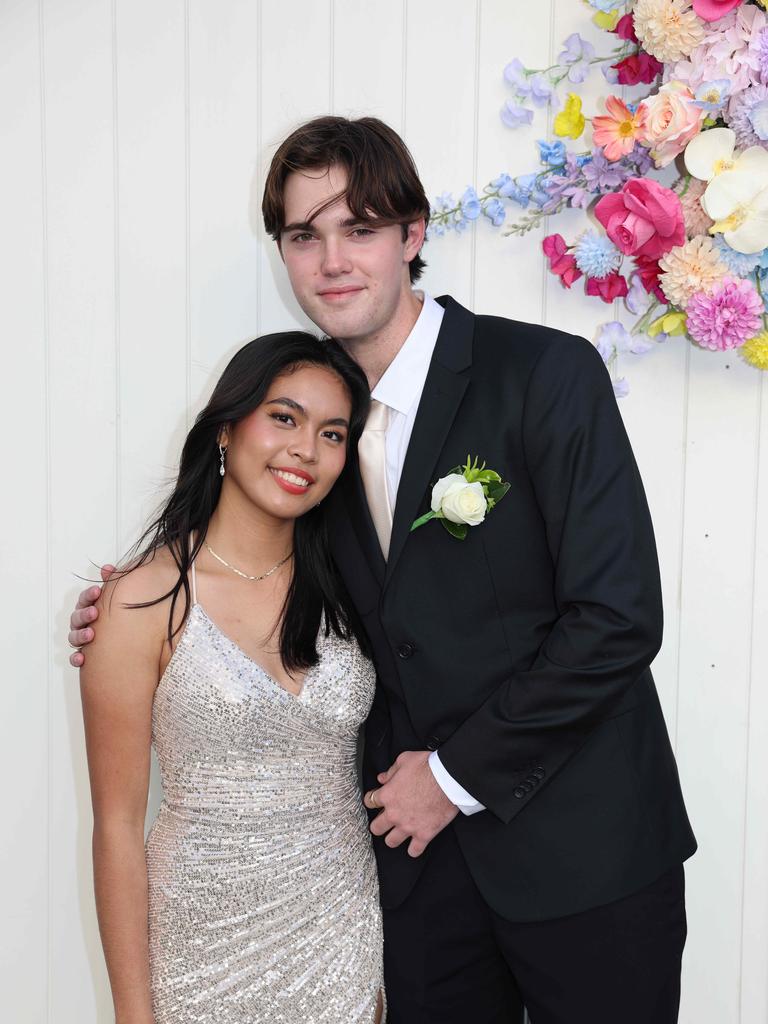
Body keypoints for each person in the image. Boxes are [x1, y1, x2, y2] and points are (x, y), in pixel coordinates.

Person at [72, 116, 697, 1024]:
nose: (331, 260)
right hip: (412, 896)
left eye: (359, 228)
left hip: (586, 863)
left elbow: (618, 617)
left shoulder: (544, 375)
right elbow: (265, 579)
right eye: (303, 235)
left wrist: (450, 778)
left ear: (412, 236)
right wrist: (136, 616)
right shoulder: (316, 432)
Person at [78, 331, 386, 1023]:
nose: (306, 449)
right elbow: (118, 826)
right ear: (226, 428)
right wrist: (133, 1011)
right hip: (199, 951)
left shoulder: (356, 592)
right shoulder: (140, 602)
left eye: (332, 433)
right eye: (285, 417)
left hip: (342, 942)